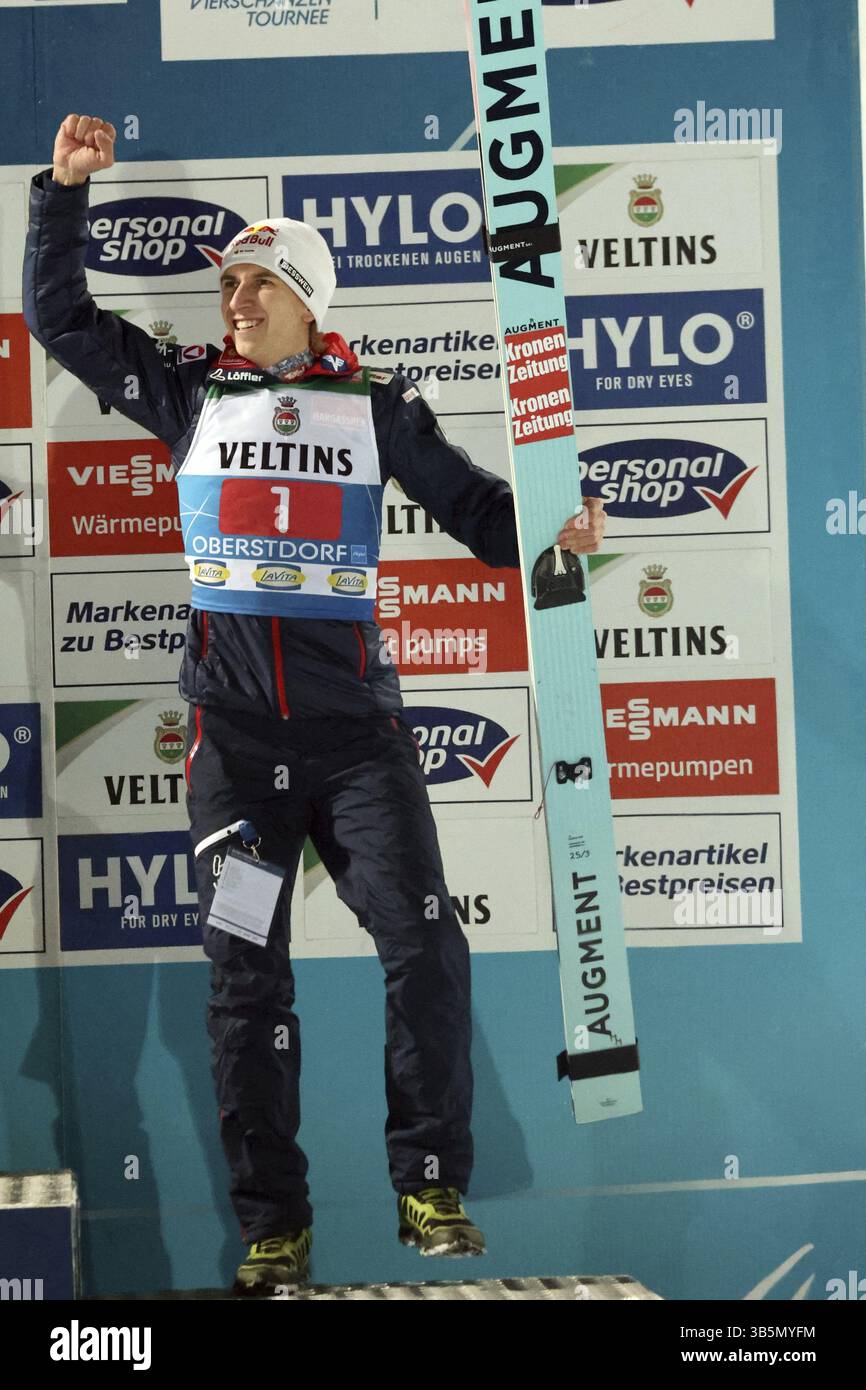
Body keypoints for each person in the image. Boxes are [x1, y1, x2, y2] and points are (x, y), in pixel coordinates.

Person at [23, 113, 607, 1295]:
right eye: (226, 284)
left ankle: (429, 1181)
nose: (229, 301)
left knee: (427, 946)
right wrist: (62, 194)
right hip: (236, 749)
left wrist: (559, 527)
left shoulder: (376, 405)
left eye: (250, 284)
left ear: (301, 297)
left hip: (356, 743)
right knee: (247, 981)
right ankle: (272, 1226)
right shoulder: (188, 393)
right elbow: (63, 323)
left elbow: (481, 516)